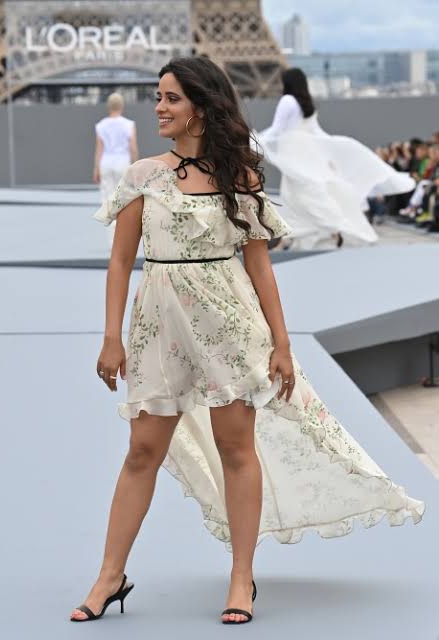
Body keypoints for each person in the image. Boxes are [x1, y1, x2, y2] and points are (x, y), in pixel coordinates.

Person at [70, 56, 425, 625]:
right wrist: (110, 338)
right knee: (141, 452)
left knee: (237, 449)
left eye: (171, 98)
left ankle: (241, 577)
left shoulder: (241, 175)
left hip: (230, 327)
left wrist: (282, 345)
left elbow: (260, 269)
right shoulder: (141, 175)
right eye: (158, 97)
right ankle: (110, 575)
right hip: (159, 327)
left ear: (201, 108)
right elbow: (119, 264)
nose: (158, 107)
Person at [256, 68, 415, 250]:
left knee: (294, 196)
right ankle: (326, 230)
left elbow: (277, 130)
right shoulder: (307, 104)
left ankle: (308, 233)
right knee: (307, 195)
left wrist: (255, 140)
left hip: (295, 156)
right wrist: (328, 154)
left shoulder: (287, 101)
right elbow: (316, 132)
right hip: (306, 155)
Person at [93, 92, 139, 248]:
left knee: (107, 199)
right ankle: (123, 237)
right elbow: (132, 147)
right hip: (122, 162)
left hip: (106, 162)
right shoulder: (128, 124)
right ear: (122, 106)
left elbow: (99, 149)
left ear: (108, 106)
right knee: (124, 199)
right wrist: (136, 164)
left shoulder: (101, 125)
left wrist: (96, 168)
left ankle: (111, 240)